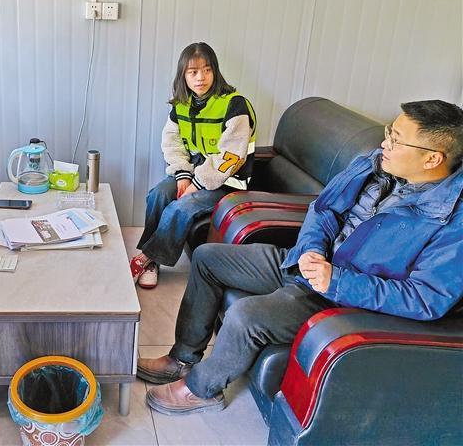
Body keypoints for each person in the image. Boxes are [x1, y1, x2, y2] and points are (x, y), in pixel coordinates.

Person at [137, 99, 463, 416]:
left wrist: (335, 280)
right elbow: (324, 209)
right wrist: (311, 248)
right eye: (389, 131)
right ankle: (183, 358)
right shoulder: (375, 162)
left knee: (245, 315)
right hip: (306, 264)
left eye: (396, 139)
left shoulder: (453, 221)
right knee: (208, 258)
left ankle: (201, 389)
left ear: (432, 158)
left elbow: (426, 298)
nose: (384, 143)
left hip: (341, 299)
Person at [130, 42, 256, 289]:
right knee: (158, 195)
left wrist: (197, 184)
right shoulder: (181, 105)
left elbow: (231, 157)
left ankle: (146, 258)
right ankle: (153, 262)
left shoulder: (235, 104)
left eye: (207, 70)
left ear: (215, 72)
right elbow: (172, 143)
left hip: (227, 181)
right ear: (183, 75)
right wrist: (183, 175)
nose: (201, 77)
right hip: (195, 172)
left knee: (181, 207)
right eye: (193, 71)